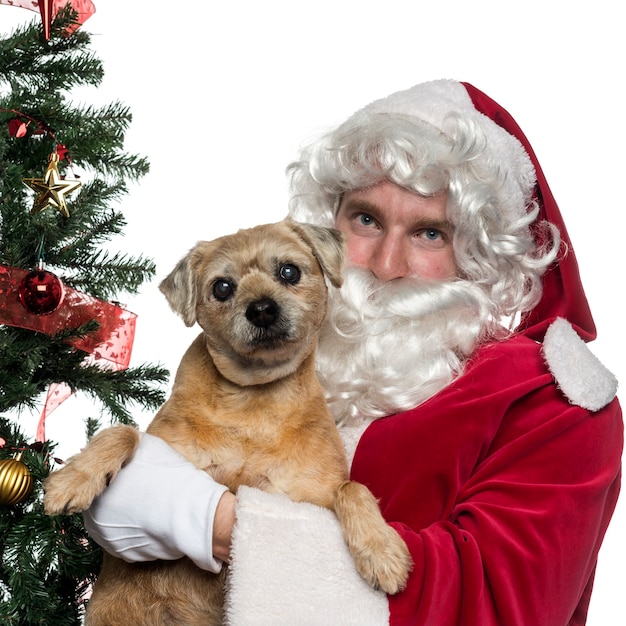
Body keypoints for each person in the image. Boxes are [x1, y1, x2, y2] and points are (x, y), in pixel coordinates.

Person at [84, 79, 622, 625]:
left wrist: (215, 523)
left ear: (480, 255)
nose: (387, 265)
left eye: (429, 233)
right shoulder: (275, 350)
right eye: (366, 219)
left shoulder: (554, 403)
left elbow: (499, 605)